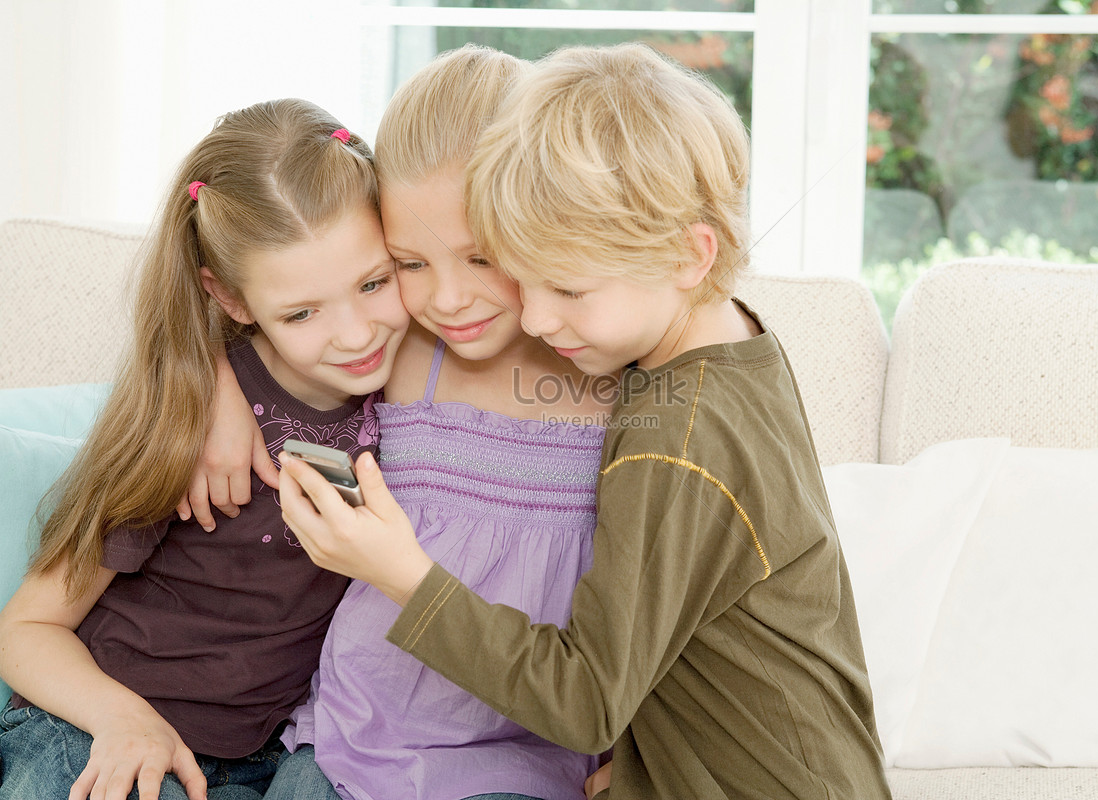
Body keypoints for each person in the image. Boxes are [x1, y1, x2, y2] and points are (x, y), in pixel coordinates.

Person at [279, 43, 894, 800]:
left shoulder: (675, 439)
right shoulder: (733, 345)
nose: (536, 316)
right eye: (525, 275)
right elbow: (674, 611)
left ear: (689, 255)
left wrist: (403, 572)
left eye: (565, 286)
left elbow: (585, 696)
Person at [193, 46, 611, 800]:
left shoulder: (606, 363)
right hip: (354, 732)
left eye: (482, 257)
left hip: (525, 752)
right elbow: (277, 306)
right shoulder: (406, 346)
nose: (448, 299)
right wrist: (217, 389)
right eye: (411, 263)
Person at [0, 98, 408, 800]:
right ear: (232, 299)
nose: (356, 334)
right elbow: (29, 627)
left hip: (261, 763)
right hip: (97, 727)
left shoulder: (421, 394)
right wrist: (124, 720)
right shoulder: (184, 417)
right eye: (302, 312)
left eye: (374, 282)